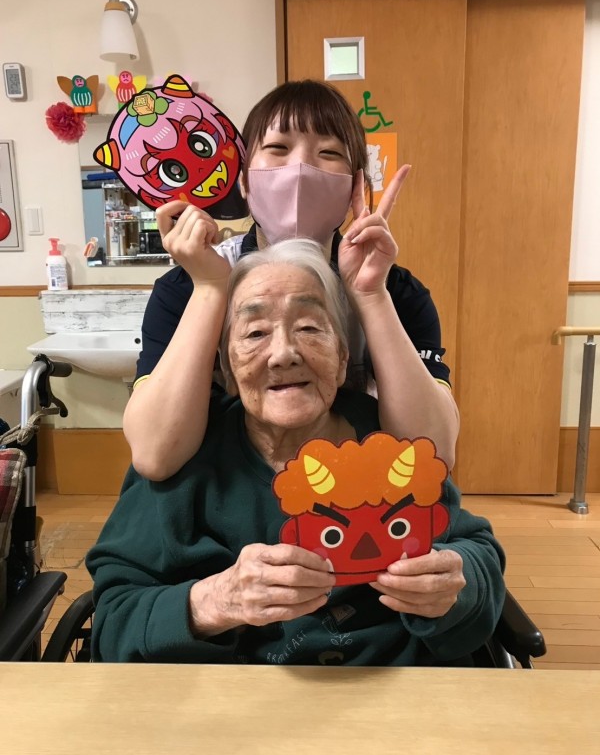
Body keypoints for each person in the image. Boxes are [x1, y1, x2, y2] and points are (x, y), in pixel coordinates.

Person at [87, 240, 505, 665]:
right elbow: (114, 620)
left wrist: (454, 583)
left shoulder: (391, 445)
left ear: (342, 359)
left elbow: (475, 554)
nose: (284, 354)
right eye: (255, 333)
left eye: (308, 328)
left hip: (397, 687)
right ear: (227, 370)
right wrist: (214, 601)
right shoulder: (186, 453)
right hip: (229, 697)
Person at [124, 80, 459, 481]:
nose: (300, 168)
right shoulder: (184, 289)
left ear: (355, 185)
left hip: (355, 496)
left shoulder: (396, 293)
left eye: (329, 153)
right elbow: (155, 455)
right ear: (244, 179)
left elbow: (433, 452)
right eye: (278, 148)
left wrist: (371, 298)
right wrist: (210, 289)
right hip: (227, 492)